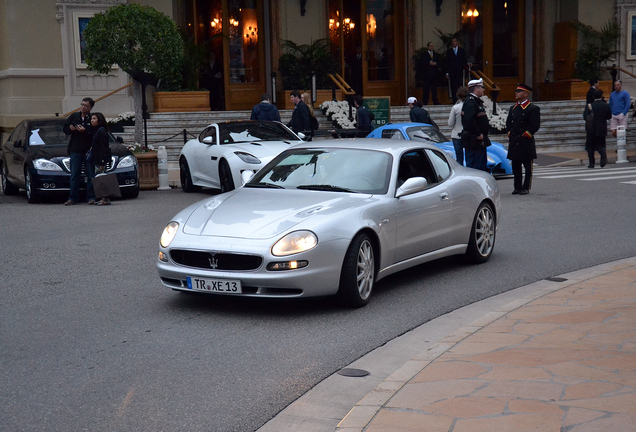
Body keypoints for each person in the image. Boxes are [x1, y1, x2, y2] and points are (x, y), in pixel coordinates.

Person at [506, 84, 541, 195]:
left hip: (525, 141)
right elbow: (508, 123)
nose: (516, 93)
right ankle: (517, 187)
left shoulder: (532, 108)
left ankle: (526, 187)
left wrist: (528, 133)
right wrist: (509, 132)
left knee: (527, 167)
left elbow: (535, 124)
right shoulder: (513, 108)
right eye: (516, 91)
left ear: (525, 94)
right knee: (516, 166)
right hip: (515, 140)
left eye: (519, 91)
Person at [63, 97, 95, 206]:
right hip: (75, 149)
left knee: (90, 174)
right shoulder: (74, 116)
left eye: (86, 106)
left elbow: (94, 132)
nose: (83, 107)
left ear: (90, 107)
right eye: (82, 104)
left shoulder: (92, 118)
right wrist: (70, 129)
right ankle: (72, 198)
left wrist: (85, 130)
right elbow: (65, 129)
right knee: (74, 175)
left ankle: (91, 197)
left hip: (88, 150)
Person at [461, 78, 490, 172]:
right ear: (476, 88)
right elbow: (469, 121)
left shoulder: (476, 102)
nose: (483, 89)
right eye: (482, 87)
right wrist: (478, 134)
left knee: (481, 164)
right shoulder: (470, 102)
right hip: (474, 140)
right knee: (476, 166)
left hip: (479, 141)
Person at [583, 88, 612, 169]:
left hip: (591, 129)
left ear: (593, 96)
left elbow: (585, 117)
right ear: (602, 96)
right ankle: (602, 153)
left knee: (590, 146)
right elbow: (609, 116)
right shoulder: (606, 105)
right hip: (602, 128)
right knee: (601, 144)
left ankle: (591, 163)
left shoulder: (589, 106)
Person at [88, 112, 113, 205]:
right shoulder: (95, 130)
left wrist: (102, 162)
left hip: (100, 159)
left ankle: (105, 198)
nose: (92, 121)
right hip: (97, 158)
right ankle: (101, 197)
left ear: (99, 120)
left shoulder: (101, 130)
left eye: (94, 119)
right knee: (98, 178)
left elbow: (103, 147)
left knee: (102, 179)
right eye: (91, 119)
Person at [448, 87, 469, 166]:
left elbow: (450, 123)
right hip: (467, 134)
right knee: (468, 155)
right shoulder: (470, 106)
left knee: (459, 156)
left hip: (457, 134)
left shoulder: (455, 107)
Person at [445, 38, 471, 103]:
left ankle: (460, 100)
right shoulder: (449, 51)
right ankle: (454, 100)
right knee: (453, 86)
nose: (454, 43)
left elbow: (464, 59)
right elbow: (447, 62)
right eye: (452, 42)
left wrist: (468, 63)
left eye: (455, 41)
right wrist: (447, 73)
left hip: (459, 71)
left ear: (457, 42)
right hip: (452, 72)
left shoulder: (461, 50)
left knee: (459, 86)